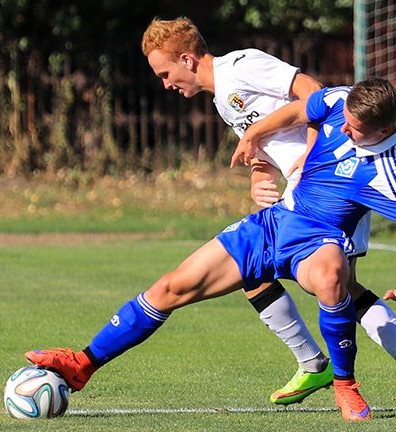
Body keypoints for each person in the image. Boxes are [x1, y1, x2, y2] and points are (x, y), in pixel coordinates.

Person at [25, 78, 396, 421]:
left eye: (355, 129)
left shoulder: (387, 172)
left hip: (318, 241)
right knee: (169, 287)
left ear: (384, 130)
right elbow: (300, 110)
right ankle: (82, 364)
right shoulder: (337, 101)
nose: (344, 130)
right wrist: (253, 134)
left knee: (334, 277)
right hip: (274, 224)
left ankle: (344, 383)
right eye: (344, 121)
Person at [139, 17, 396, 404]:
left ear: (187, 60)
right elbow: (265, 137)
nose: (165, 84)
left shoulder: (241, 66)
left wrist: (312, 156)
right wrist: (259, 171)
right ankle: (312, 364)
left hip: (332, 190)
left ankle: (320, 368)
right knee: (257, 272)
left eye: (165, 73)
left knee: (340, 288)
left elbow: (311, 93)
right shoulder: (223, 96)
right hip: (299, 196)